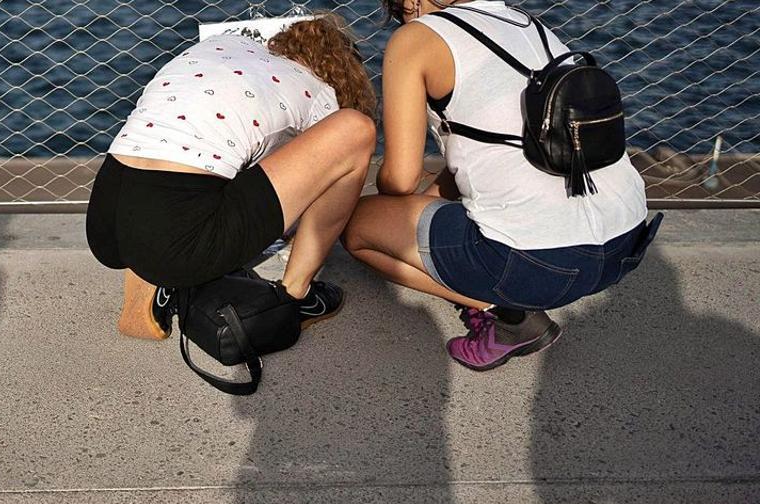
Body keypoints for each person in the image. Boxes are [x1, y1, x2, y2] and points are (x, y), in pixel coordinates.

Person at [343, 0, 657, 370]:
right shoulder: (529, 26)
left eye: (399, 12)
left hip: (541, 266)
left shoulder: (416, 39)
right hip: (625, 245)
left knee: (359, 226)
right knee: (421, 213)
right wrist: (421, 209)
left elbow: (400, 178)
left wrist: (384, 201)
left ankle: (509, 317)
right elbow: (501, 145)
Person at [87, 13, 378, 340]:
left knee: (214, 156)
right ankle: (296, 296)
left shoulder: (227, 45)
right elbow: (307, 190)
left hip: (105, 214)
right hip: (176, 234)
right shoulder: (321, 94)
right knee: (355, 130)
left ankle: (150, 270)